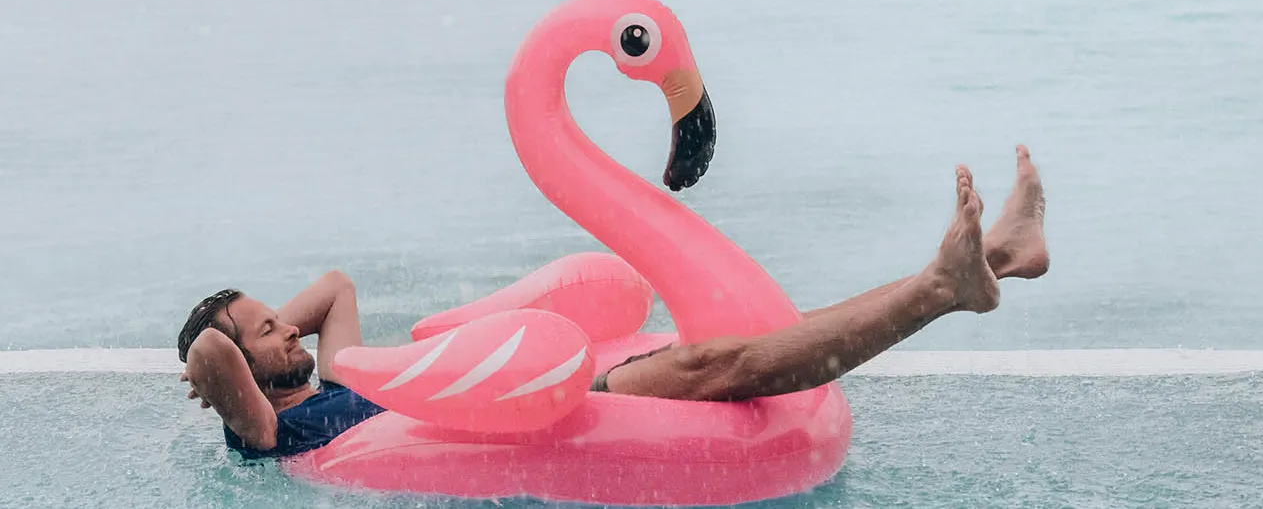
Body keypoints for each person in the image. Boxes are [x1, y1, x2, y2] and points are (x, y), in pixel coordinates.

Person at [179, 146, 1050, 460]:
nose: (288, 326)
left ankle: (998, 258)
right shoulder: (266, 431)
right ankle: (941, 291)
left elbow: (335, 286)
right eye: (268, 330)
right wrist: (218, 360)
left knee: (745, 337)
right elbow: (214, 359)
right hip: (513, 425)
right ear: (242, 371)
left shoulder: (335, 377)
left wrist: (267, 330)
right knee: (725, 364)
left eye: (277, 319)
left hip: (522, 398)